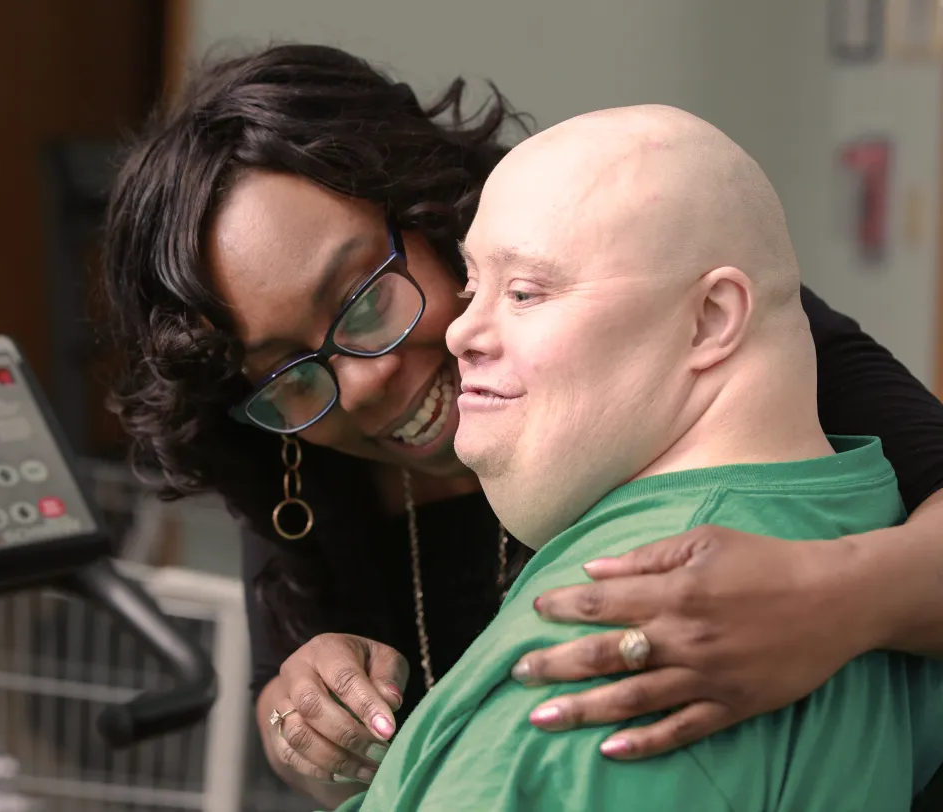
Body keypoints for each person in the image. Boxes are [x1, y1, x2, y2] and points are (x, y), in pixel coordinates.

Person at [101, 44, 943, 809]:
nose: (363, 383)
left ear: (427, 211)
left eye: (364, 301)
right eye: (287, 373)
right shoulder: (297, 460)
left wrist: (829, 601)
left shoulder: (675, 308)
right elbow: (295, 708)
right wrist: (308, 731)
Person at [335, 105, 943, 812]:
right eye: (472, 287)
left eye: (526, 291)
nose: (463, 329)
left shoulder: (623, 652)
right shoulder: (848, 507)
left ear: (712, 319)